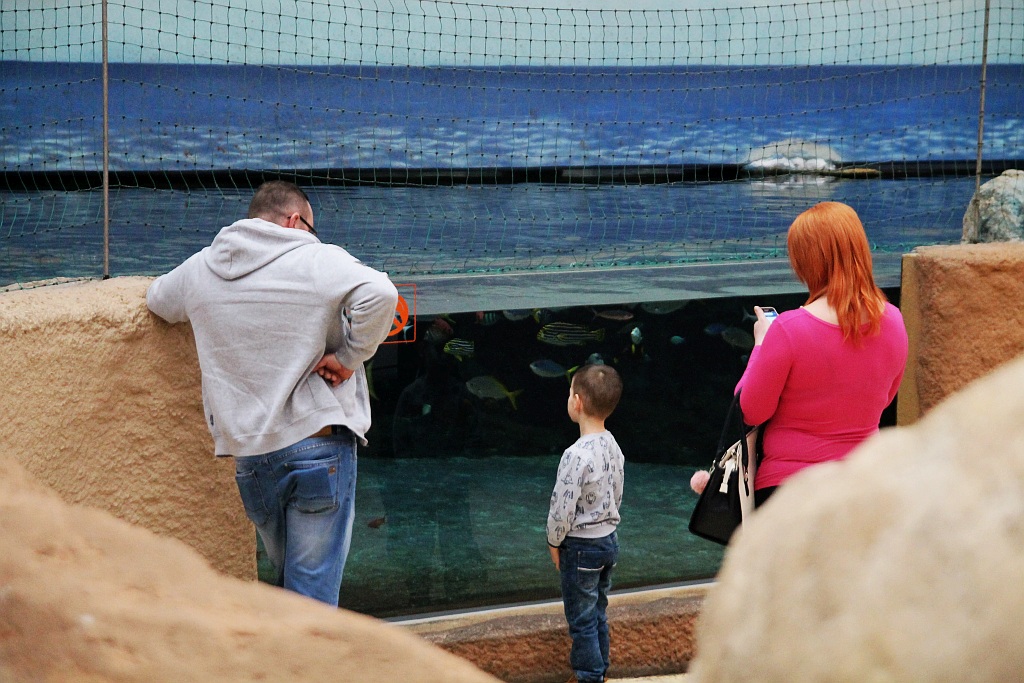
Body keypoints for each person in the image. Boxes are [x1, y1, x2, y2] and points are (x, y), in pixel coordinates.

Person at [146, 180, 398, 605]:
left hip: (252, 459)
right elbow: (381, 293)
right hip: (318, 448)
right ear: (295, 221)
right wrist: (350, 357)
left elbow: (157, 301)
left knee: (286, 597)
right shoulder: (313, 256)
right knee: (312, 602)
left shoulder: (200, 268)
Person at [734, 201, 908, 507]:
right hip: (866, 486)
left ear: (807, 262)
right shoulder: (894, 320)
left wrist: (761, 345)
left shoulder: (787, 329)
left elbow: (750, 409)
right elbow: (887, 396)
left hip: (792, 492)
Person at [546, 364, 625, 683]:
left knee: (580, 617)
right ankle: (600, 668)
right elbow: (617, 490)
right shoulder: (613, 445)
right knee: (597, 611)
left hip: (581, 548)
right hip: (609, 541)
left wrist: (554, 541)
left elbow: (561, 506)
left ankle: (589, 676)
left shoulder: (575, 455)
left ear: (576, 402)